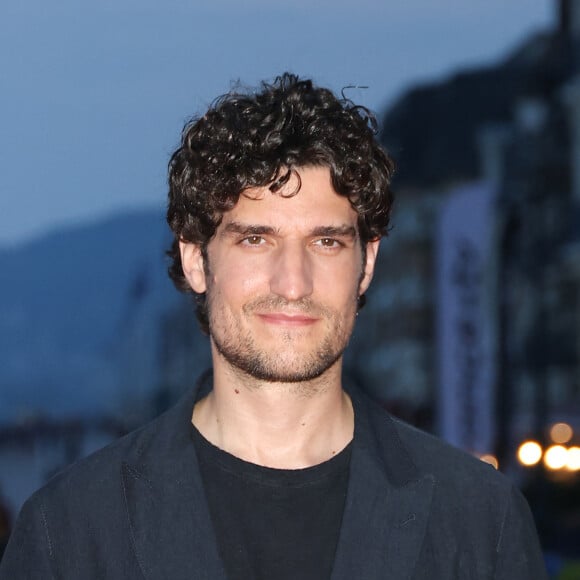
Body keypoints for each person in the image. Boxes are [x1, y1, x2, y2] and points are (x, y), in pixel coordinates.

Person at [0, 73, 547, 579]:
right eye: (255, 239)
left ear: (367, 263)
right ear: (195, 260)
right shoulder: (70, 532)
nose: (293, 282)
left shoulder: (480, 524)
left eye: (326, 242)